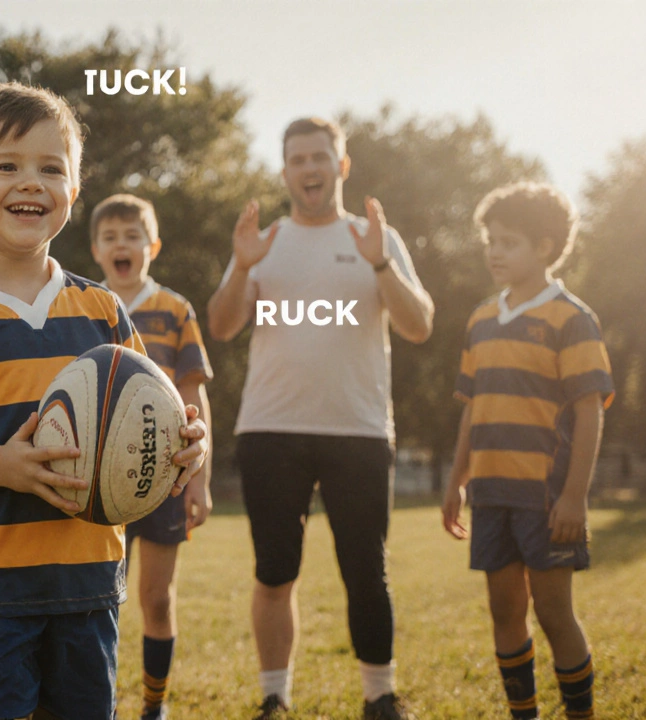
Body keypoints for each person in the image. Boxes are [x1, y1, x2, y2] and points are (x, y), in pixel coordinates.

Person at [0, 82, 209, 720]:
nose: (32, 182)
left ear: (73, 193)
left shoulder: (103, 310)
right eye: (7, 166)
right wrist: (3, 466)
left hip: (88, 592)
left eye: (52, 169)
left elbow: (154, 417)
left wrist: (184, 448)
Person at [205, 117, 434, 720]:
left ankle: (380, 696)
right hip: (270, 430)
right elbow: (222, 326)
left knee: (367, 571)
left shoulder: (376, 239)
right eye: (297, 159)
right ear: (285, 172)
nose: (309, 169)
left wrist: (382, 265)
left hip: (358, 431)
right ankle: (274, 697)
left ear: (342, 165)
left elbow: (419, 325)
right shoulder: (264, 241)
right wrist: (241, 264)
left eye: (320, 158)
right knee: (275, 570)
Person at [442, 182, 612, 720]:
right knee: (503, 610)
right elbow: (473, 407)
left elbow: (591, 409)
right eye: (490, 240)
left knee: (554, 613)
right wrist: (455, 482)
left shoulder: (572, 319)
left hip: (546, 497)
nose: (494, 251)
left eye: (508, 242)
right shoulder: (480, 320)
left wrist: (575, 497)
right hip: (491, 493)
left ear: (544, 246)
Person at [88, 193, 215, 720]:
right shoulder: (85, 304)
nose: (123, 245)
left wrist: (200, 479)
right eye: (111, 237)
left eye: (132, 236)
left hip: (163, 481)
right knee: (98, 602)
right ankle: (99, 703)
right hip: (97, 480)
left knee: (156, 599)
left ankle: (153, 705)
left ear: (152, 246)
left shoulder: (174, 309)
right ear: (96, 249)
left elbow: (194, 393)